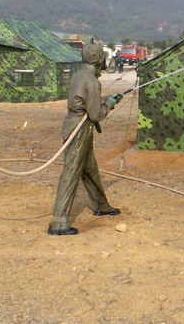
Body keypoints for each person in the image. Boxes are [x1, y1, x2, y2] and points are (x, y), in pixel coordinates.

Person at [48, 44, 123, 235]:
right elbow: (96, 114)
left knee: (89, 169)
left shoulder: (78, 75)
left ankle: (101, 205)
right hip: (79, 130)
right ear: (99, 60)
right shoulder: (91, 81)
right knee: (71, 172)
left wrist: (106, 98)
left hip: (76, 125)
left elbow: (84, 100)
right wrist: (110, 104)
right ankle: (58, 222)